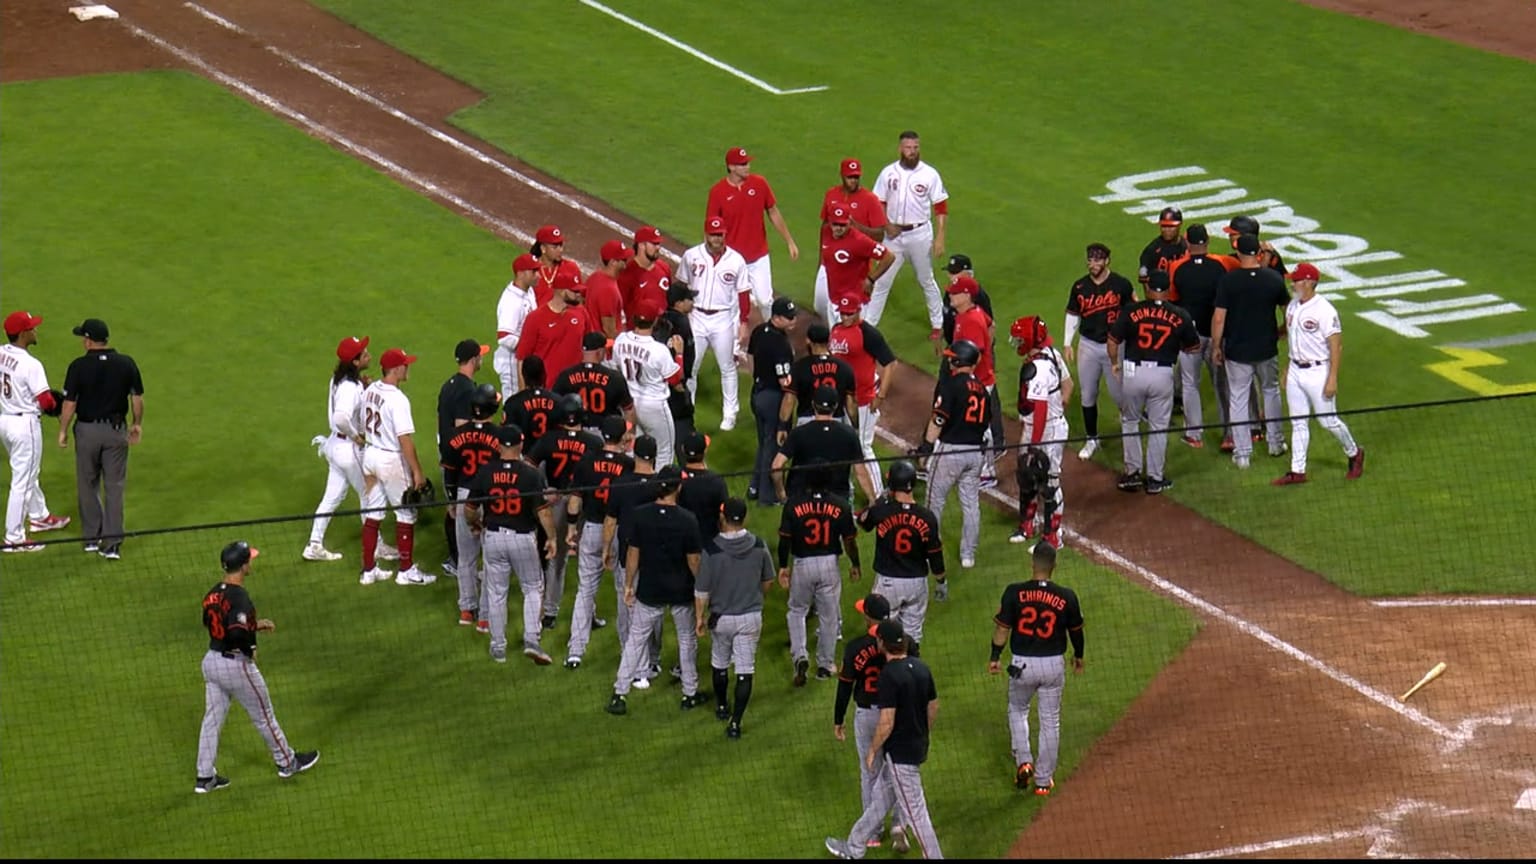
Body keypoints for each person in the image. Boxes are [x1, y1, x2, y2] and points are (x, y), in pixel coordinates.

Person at [196, 540, 319, 794]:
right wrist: (250, 648)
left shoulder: (212, 593)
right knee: (264, 716)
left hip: (211, 661)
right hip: (235, 665)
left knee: (212, 720)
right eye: (249, 559)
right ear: (243, 566)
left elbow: (213, 622)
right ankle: (287, 762)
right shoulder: (240, 596)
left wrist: (256, 625)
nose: (252, 561)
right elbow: (237, 632)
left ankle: (204, 777)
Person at [823, 618, 942, 860]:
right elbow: (933, 706)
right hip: (917, 747)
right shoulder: (921, 667)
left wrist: (872, 749)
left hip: (900, 757)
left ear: (881, 643)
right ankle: (855, 846)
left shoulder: (889, 675)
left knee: (917, 814)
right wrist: (921, 731)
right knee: (881, 797)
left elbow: (887, 721)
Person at [606, 465, 711, 715]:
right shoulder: (687, 519)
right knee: (687, 641)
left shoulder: (642, 515)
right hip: (680, 590)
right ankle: (689, 694)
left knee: (635, 640)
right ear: (678, 488)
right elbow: (694, 560)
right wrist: (703, 588)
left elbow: (633, 554)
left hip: (650, 589)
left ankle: (619, 694)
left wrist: (629, 584)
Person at [989, 540, 1084, 798]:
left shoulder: (1014, 592)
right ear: (1054, 565)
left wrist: (995, 656)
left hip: (1022, 664)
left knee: (1018, 710)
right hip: (1053, 664)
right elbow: (1076, 631)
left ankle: (1024, 761)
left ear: (1033, 565)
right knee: (1050, 720)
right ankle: (1043, 781)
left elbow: (1002, 629)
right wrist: (1079, 656)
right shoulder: (1067, 596)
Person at [463, 424, 557, 665]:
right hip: (522, 538)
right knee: (533, 587)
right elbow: (544, 512)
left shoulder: (485, 471)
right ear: (521, 445)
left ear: (497, 446)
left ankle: (498, 648)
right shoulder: (530, 474)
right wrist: (553, 538)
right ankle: (532, 640)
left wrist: (475, 523)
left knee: (496, 593)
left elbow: (469, 508)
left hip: (493, 537)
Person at [56, 318, 144, 560]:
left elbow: (70, 403)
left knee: (88, 483)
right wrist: (136, 424)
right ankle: (113, 544)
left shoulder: (78, 366)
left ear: (87, 340)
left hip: (87, 431)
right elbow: (137, 398)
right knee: (114, 487)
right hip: (116, 431)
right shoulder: (126, 363)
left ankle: (91, 539)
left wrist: (63, 430)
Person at [1106, 271, 1200, 494]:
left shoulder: (1131, 310)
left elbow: (1112, 340)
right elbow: (1193, 347)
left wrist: (1114, 363)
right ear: (1167, 290)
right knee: (1158, 426)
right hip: (1162, 374)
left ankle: (1132, 474)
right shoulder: (1180, 314)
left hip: (1133, 373)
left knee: (1130, 421)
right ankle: (1155, 479)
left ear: (1148, 289)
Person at [1272, 263, 1366, 486]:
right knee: (1298, 422)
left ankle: (1354, 452)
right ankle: (1297, 471)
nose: (1292, 283)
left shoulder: (1325, 310)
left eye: (1296, 280)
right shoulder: (1294, 305)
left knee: (1327, 421)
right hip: (1296, 369)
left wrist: (1332, 377)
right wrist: (1288, 368)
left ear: (1309, 282)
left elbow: (1336, 346)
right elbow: (1294, 339)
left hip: (1318, 371)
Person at [833, 593, 910, 853]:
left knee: (870, 773)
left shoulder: (855, 647)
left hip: (868, 715)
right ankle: (900, 826)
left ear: (868, 617)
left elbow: (845, 687)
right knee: (898, 772)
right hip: (897, 714)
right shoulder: (904, 643)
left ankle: (873, 833)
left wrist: (838, 719)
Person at [695, 497, 775, 738]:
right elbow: (768, 581)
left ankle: (721, 707)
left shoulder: (711, 549)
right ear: (745, 517)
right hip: (750, 617)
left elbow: (701, 591)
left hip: (721, 619)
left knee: (720, 664)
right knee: (745, 670)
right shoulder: (759, 545)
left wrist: (699, 618)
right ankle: (735, 723)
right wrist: (754, 594)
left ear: (723, 517)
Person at [1211, 233, 1290, 470]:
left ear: (1238, 254)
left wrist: (1216, 346)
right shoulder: (1273, 279)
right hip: (1266, 347)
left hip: (1237, 351)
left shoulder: (1229, 281)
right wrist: (1284, 328)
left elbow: (1218, 318)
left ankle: (1243, 452)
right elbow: (1289, 309)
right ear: (1259, 253)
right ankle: (1276, 443)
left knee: (1238, 397)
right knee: (1271, 391)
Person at [358, 347, 434, 587]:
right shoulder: (398, 400)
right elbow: (405, 441)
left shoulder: (369, 390)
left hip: (369, 455)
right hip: (390, 460)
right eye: (405, 364)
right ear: (396, 369)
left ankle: (368, 570)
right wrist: (417, 470)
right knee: (406, 513)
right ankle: (406, 570)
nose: (408, 367)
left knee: (373, 512)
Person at [527, 393, 603, 632]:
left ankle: (549, 613)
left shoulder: (549, 439)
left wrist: (543, 489)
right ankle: (588, 614)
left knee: (557, 558)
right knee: (588, 561)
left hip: (558, 501)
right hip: (585, 503)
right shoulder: (594, 442)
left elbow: (527, 465)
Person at [562, 415, 632, 667]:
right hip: (620, 533)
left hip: (591, 530)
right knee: (624, 592)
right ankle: (629, 652)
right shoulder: (628, 464)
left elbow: (575, 498)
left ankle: (575, 651)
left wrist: (571, 527)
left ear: (604, 435)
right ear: (622, 436)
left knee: (585, 590)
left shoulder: (586, 462)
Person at [303, 336, 380, 563]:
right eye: (364, 354)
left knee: (331, 497)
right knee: (369, 495)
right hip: (347, 448)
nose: (369, 355)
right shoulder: (348, 387)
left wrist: (362, 387)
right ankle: (375, 547)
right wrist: (356, 436)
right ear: (355, 362)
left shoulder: (341, 380)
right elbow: (341, 417)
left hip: (334, 447)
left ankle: (314, 544)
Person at [857, 461, 945, 656]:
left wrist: (878, 501)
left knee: (881, 632)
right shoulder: (927, 516)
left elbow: (863, 522)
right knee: (912, 635)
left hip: (888, 583)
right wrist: (941, 581)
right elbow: (935, 554)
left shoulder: (882, 511)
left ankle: (883, 672)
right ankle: (912, 668)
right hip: (917, 583)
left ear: (891, 485)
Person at [868, 130, 949, 333]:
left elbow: (940, 206)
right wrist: (886, 225)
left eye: (915, 148)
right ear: (900, 149)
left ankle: (939, 325)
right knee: (881, 280)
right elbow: (878, 202)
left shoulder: (929, 174)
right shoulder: (888, 173)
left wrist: (940, 236)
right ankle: (868, 326)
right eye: (908, 148)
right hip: (893, 237)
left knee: (926, 279)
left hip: (919, 234)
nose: (912, 152)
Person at [705, 146, 799, 322]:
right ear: (731, 167)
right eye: (742, 164)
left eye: (747, 163)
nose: (747, 167)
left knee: (765, 301)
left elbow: (773, 212)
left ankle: (773, 334)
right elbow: (710, 228)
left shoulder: (759, 183)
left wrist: (789, 241)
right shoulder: (717, 192)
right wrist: (711, 258)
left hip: (758, 256)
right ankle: (733, 345)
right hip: (732, 259)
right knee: (732, 305)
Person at [919, 339, 991, 569]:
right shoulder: (983, 390)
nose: (948, 359)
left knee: (933, 501)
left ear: (958, 360)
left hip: (950, 452)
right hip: (975, 454)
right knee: (971, 504)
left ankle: (930, 552)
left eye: (952, 356)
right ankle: (968, 555)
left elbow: (938, 419)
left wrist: (926, 448)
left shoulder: (950, 385)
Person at [1, 310, 68, 553]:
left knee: (27, 471)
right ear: (22, 334)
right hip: (24, 426)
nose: (35, 330)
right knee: (22, 481)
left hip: (5, 421)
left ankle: (40, 515)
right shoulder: (31, 364)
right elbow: (46, 401)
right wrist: (56, 404)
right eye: (31, 327)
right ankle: (14, 538)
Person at [779, 486, 860, 685]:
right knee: (829, 615)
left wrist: (783, 566)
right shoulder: (839, 504)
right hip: (829, 564)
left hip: (803, 564)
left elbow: (784, 540)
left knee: (797, 611)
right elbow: (849, 540)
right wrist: (855, 563)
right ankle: (825, 666)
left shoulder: (794, 503)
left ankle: (800, 656)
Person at [602, 434, 665, 689]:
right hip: (657, 556)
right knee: (654, 609)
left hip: (628, 554)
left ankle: (633, 664)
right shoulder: (662, 485)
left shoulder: (621, 483)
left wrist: (606, 549)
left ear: (634, 454)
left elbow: (610, 522)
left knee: (627, 607)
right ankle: (652, 660)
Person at [1061, 244, 1134, 462]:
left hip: (1115, 346)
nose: (1093, 264)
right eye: (1090, 259)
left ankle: (1128, 428)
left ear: (1107, 261)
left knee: (1119, 393)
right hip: (1089, 345)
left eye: (1098, 260)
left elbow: (1133, 312)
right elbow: (1073, 314)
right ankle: (1092, 438)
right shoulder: (1080, 286)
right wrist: (1067, 343)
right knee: (1088, 394)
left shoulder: (1121, 284)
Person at [677, 216, 750, 431]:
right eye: (713, 234)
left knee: (727, 367)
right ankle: (687, 408)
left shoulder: (736, 260)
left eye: (720, 235)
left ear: (725, 235)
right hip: (696, 316)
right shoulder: (691, 256)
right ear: (705, 234)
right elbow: (680, 285)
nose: (717, 239)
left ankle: (730, 414)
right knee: (691, 365)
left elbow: (744, 293)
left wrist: (744, 322)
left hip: (723, 318)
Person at [1008, 317, 1073, 548]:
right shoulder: (1051, 353)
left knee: (1050, 482)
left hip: (1047, 430)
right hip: (1040, 426)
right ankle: (1027, 525)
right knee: (1027, 476)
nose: (1016, 343)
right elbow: (1068, 385)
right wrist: (1061, 405)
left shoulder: (1040, 367)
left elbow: (1041, 409)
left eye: (1019, 339)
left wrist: (1035, 445)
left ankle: (1053, 537)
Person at [442, 385, 502, 626]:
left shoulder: (455, 436)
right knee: (490, 559)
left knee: (466, 557)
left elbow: (449, 473)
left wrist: (451, 500)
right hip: (491, 498)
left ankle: (467, 609)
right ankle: (486, 617)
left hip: (463, 494)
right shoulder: (500, 436)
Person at [1167, 224, 1230, 448]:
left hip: (1189, 336)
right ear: (1207, 241)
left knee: (1190, 384)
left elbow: (1173, 300)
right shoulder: (1221, 265)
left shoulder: (1176, 267)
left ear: (1187, 242)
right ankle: (1228, 435)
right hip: (1216, 335)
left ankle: (1195, 435)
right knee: (1222, 384)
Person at [828, 295, 897, 499]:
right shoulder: (836, 330)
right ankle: (845, 488)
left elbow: (890, 364)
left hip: (864, 399)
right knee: (843, 445)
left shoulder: (868, 333)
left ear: (859, 310)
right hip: (841, 400)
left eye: (850, 312)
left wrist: (881, 396)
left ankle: (878, 495)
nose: (846, 316)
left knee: (863, 447)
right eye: (843, 312)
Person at [437, 339, 491, 578]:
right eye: (480, 356)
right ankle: (459, 561)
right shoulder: (467, 389)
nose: (482, 359)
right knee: (460, 509)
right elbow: (462, 427)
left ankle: (456, 559)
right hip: (460, 456)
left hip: (447, 450)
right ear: (473, 360)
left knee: (455, 508)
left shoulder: (448, 384)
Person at [945, 275, 1005, 485]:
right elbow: (991, 325)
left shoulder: (970, 320)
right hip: (978, 379)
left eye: (955, 292)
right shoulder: (970, 313)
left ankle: (988, 472)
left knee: (980, 427)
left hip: (978, 382)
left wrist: (968, 378)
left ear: (967, 295)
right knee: (979, 425)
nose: (950, 295)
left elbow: (976, 354)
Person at [814, 158, 888, 322]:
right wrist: (821, 258)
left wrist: (854, 227)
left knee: (847, 308)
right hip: (829, 262)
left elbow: (880, 235)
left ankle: (840, 338)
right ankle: (835, 333)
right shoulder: (831, 194)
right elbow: (825, 226)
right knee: (820, 305)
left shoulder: (870, 200)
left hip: (855, 264)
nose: (853, 180)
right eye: (849, 177)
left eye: (856, 177)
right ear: (842, 175)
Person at [613, 299, 684, 468]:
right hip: (654, 406)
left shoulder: (621, 340)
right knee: (664, 451)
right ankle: (662, 490)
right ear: (654, 321)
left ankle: (634, 486)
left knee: (631, 449)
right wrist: (679, 355)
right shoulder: (659, 350)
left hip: (629, 404)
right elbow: (676, 381)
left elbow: (616, 368)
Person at [772, 385, 871, 505]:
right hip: (837, 501)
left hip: (801, 500)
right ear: (835, 406)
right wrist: (873, 500)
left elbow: (776, 466)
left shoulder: (798, 433)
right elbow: (861, 472)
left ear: (813, 405)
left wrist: (782, 494)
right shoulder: (849, 434)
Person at [746, 296, 796, 505]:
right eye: (788, 318)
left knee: (764, 443)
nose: (793, 321)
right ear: (776, 317)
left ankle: (754, 487)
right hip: (773, 397)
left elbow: (749, 358)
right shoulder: (780, 343)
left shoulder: (759, 331)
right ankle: (768, 497)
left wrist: (758, 379)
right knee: (773, 447)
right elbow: (785, 382)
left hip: (757, 392)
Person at [816, 204, 894, 325]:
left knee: (851, 341)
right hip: (834, 300)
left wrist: (871, 279)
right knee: (836, 340)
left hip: (853, 306)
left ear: (850, 221)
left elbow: (889, 256)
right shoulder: (826, 232)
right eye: (835, 224)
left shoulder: (859, 240)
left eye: (843, 224)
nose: (838, 228)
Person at [517, 271, 596, 388]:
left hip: (576, 387)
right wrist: (524, 393)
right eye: (574, 291)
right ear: (561, 291)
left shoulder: (581, 313)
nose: (579, 294)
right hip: (547, 389)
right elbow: (522, 359)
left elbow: (590, 348)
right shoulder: (535, 318)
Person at [552, 331, 636, 435]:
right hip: (606, 434)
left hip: (577, 432)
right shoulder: (614, 377)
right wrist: (629, 434)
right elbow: (629, 410)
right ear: (600, 352)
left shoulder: (566, 375)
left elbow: (554, 406)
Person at [779, 323, 857, 435]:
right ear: (829, 340)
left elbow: (789, 399)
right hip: (835, 422)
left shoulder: (799, 367)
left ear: (808, 340)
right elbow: (851, 403)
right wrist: (855, 426)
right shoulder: (845, 368)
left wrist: (782, 427)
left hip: (807, 422)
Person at [656, 288, 699, 463]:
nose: (693, 302)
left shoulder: (662, 319)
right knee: (684, 434)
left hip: (660, 385)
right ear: (679, 303)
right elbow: (684, 355)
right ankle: (688, 471)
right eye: (689, 299)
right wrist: (681, 380)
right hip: (676, 383)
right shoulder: (681, 322)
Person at [494, 253, 541, 396]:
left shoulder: (529, 291)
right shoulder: (511, 301)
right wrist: (528, 345)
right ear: (520, 273)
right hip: (511, 361)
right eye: (534, 271)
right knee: (513, 404)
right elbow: (504, 336)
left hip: (523, 359)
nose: (538, 275)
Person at [678, 431, 729, 550]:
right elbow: (724, 517)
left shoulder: (675, 479)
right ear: (705, 451)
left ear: (682, 450)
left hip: (682, 544)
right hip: (710, 545)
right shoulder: (716, 481)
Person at [618, 225, 673, 328]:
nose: (658, 247)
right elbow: (620, 308)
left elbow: (668, 300)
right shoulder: (627, 274)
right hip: (638, 331)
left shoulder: (664, 268)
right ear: (641, 245)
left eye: (658, 244)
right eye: (654, 244)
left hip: (661, 330)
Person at [939, 255, 995, 351]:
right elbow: (948, 314)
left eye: (954, 273)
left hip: (970, 351)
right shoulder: (951, 291)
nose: (950, 276)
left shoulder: (978, 296)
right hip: (954, 346)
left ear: (968, 274)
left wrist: (984, 354)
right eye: (949, 272)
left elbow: (990, 326)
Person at [503, 356, 557, 455]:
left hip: (524, 457)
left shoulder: (513, 403)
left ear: (523, 376)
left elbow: (507, 434)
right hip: (550, 457)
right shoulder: (557, 401)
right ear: (543, 374)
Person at [587, 240, 631, 341]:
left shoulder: (595, 276)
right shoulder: (608, 289)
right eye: (623, 259)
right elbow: (609, 329)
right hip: (604, 348)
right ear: (613, 262)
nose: (626, 260)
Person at [1138, 207, 1189, 292]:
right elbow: (1145, 281)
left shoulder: (1187, 246)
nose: (1167, 230)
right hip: (1163, 298)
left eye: (1171, 226)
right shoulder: (1152, 250)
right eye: (1164, 226)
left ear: (1180, 225)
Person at [530, 223, 582, 306]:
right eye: (554, 247)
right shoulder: (531, 271)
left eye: (560, 245)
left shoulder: (571, 268)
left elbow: (580, 299)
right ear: (543, 248)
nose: (560, 250)